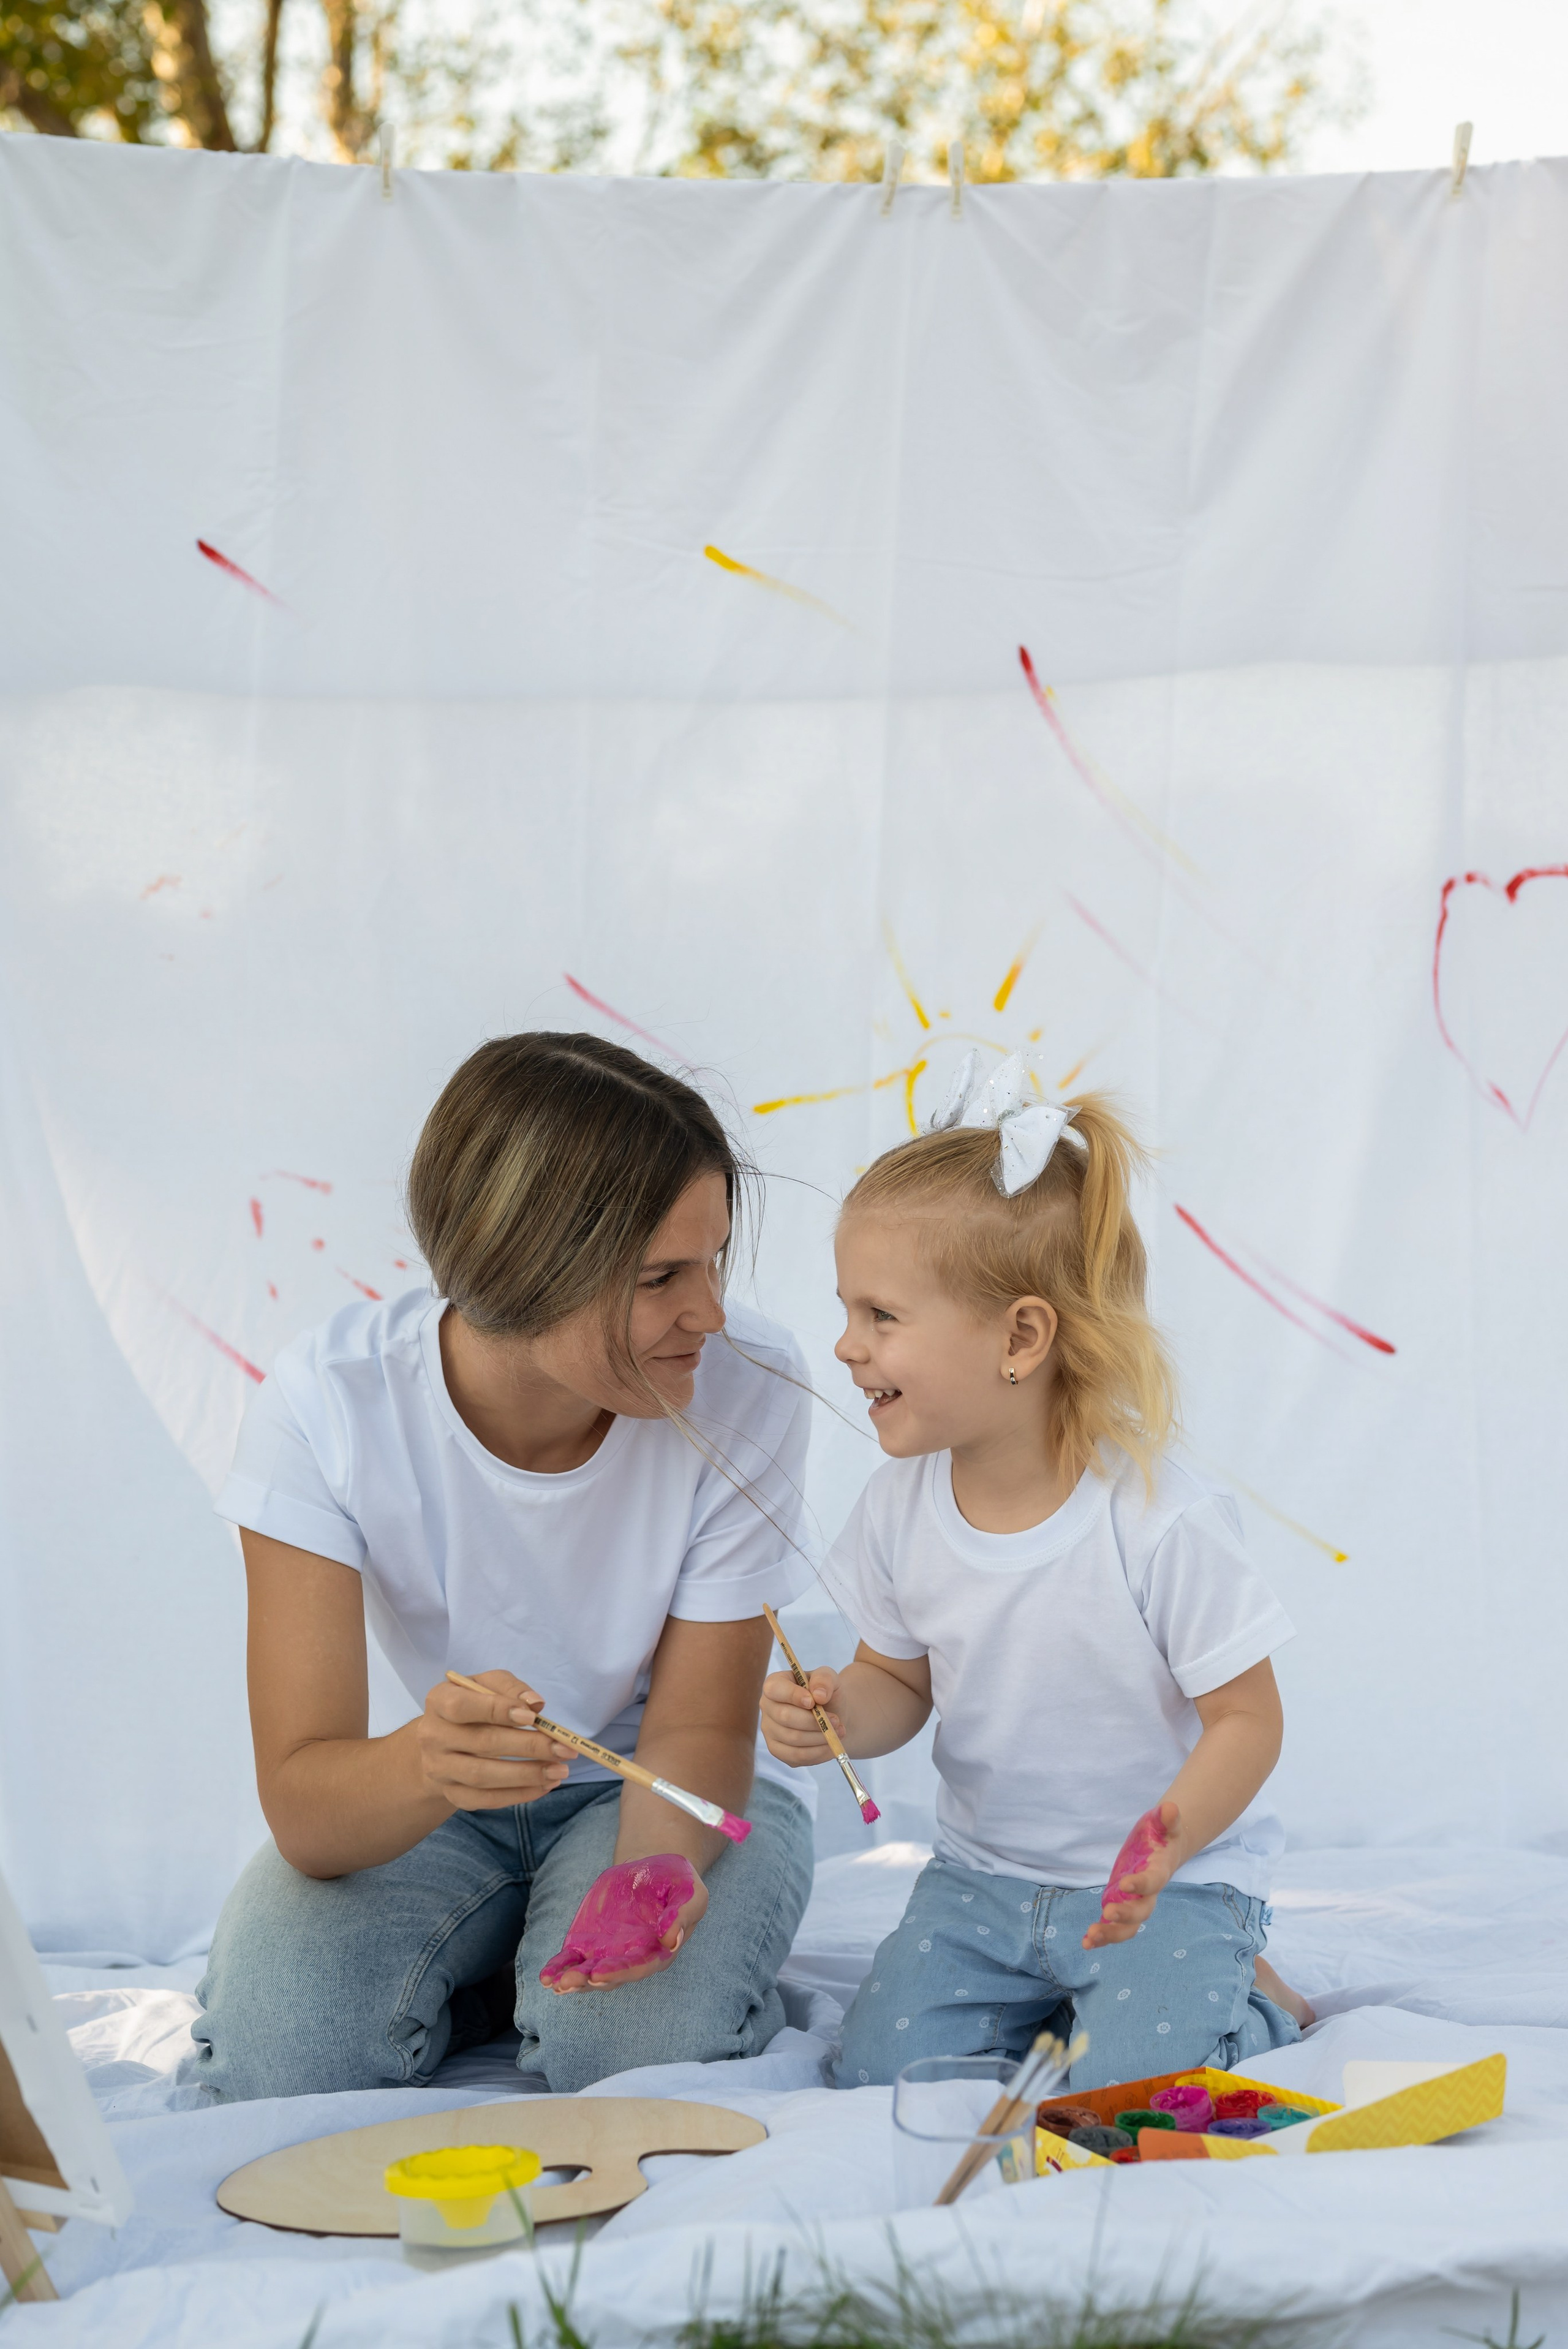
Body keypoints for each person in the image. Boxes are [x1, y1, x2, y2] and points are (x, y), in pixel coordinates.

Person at [181, 1032, 815, 2103]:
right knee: (285, 2061)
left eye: (712, 1263)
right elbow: (307, 1804)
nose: (707, 1311)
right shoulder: (327, 1405)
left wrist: (648, 1876)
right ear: (521, 1272)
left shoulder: (744, 1384)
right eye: (663, 1277)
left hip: (654, 1785)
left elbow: (701, 1728)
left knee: (617, 2056)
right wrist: (431, 1763)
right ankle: (503, 1967)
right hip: (437, 1807)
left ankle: (528, 1976)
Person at [760, 1053, 1314, 2094]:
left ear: (1022, 1335)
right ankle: (1088, 2001)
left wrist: (1166, 1840)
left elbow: (1248, 1717)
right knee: (881, 2068)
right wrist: (837, 1713)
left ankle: (1247, 2001)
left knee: (1131, 2090)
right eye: (848, 1311)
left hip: (1160, 1888)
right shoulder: (900, 1506)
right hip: (983, 1886)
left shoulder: (1159, 1518)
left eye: (881, 1315)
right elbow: (899, 1684)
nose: (845, 1345)